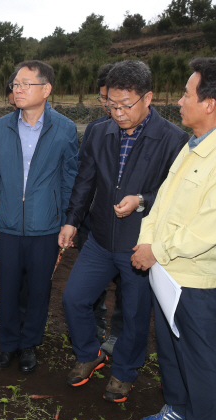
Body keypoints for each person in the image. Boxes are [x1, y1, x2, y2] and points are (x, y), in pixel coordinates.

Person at [134, 58, 216, 420]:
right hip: (169, 272)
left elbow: (212, 227)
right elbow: (164, 203)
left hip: (197, 279)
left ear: (209, 103)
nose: (179, 101)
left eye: (187, 93)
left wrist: (157, 250)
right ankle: (178, 408)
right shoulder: (194, 145)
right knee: (172, 349)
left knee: (201, 356)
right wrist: (147, 239)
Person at [60, 60, 188, 402]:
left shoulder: (174, 139)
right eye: (111, 105)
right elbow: (84, 181)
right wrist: (72, 220)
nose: (118, 113)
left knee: (134, 315)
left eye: (125, 105)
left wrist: (142, 199)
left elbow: (178, 195)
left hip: (140, 246)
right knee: (74, 299)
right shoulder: (99, 132)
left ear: (148, 98)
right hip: (100, 239)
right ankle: (90, 354)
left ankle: (124, 373)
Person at [0, 60, 78, 374]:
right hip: (7, 224)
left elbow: (68, 180)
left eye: (25, 84)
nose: (17, 89)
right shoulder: (1, 126)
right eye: (15, 84)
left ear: (46, 89)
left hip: (45, 226)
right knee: (7, 288)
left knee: (39, 290)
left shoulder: (64, 128)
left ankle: (29, 345)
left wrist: (67, 221)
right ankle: (7, 344)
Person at [75, 63, 122, 350]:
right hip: (93, 224)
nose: (108, 105)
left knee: (127, 288)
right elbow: (84, 178)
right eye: (103, 98)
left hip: (129, 229)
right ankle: (93, 327)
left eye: (113, 99)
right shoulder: (94, 130)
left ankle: (118, 334)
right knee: (92, 286)